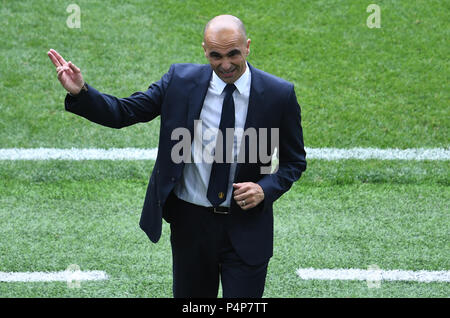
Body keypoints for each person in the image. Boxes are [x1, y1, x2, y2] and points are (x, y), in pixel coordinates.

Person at [47, 14, 306, 298]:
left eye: (233, 53)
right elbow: (124, 112)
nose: (226, 64)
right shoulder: (179, 81)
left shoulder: (279, 94)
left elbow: (294, 162)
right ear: (205, 51)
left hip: (246, 226)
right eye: (216, 56)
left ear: (247, 46)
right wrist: (82, 92)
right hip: (191, 226)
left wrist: (264, 188)